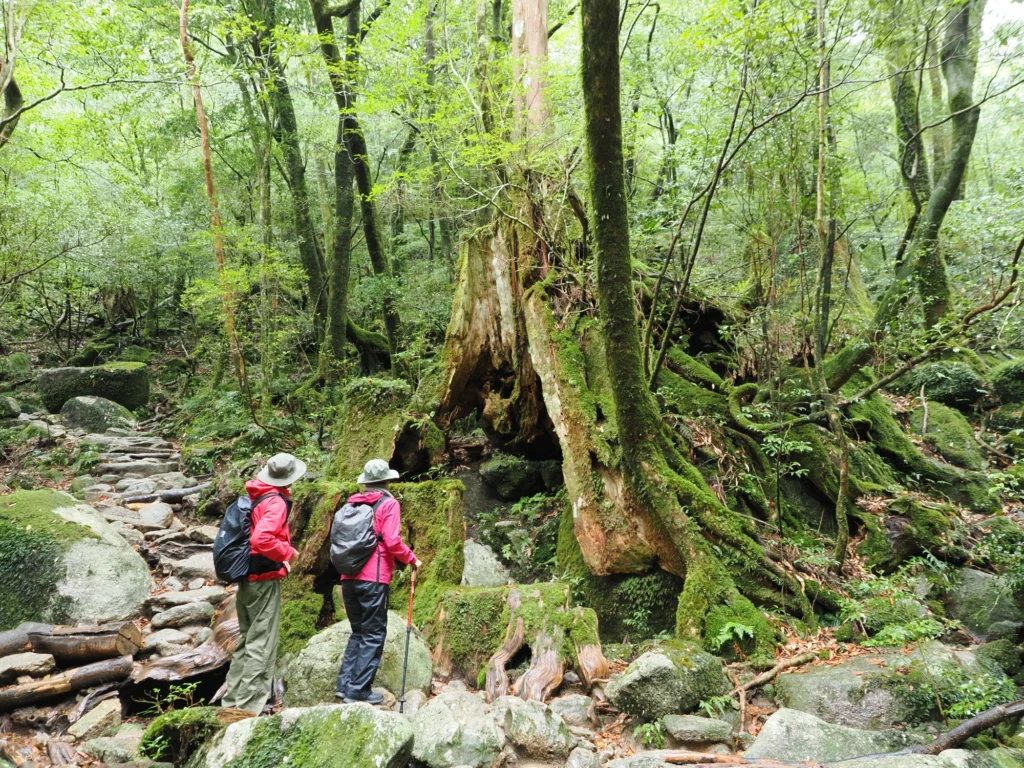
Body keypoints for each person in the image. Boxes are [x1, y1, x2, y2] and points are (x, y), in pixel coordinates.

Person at [221, 452, 306, 714]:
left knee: (247, 640)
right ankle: (248, 709)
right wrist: (287, 553)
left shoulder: (257, 495)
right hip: (263, 582)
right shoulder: (276, 502)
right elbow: (261, 540)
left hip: (248, 578)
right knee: (262, 642)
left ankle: (231, 702)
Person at [336, 458, 421, 704]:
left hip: (348, 577)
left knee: (358, 632)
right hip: (373, 578)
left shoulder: (351, 504)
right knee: (373, 633)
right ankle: (358, 690)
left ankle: (344, 686)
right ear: (387, 480)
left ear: (366, 482)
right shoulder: (388, 504)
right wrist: (412, 559)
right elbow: (392, 541)